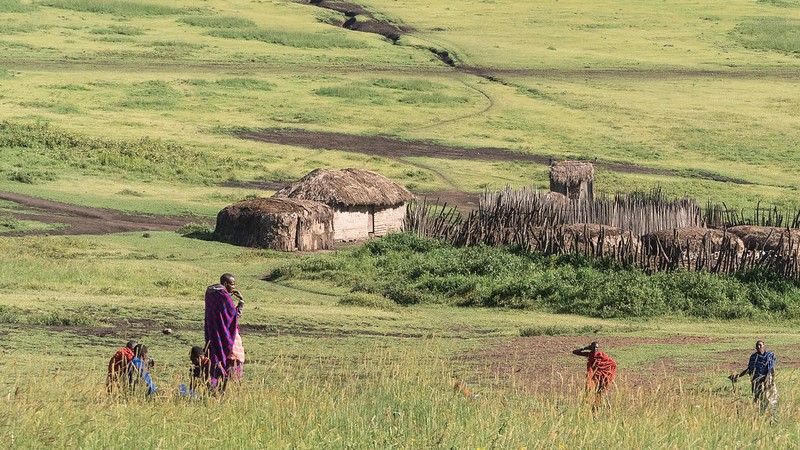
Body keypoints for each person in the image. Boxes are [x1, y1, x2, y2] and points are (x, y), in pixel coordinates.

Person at [205, 273, 245, 392]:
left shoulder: (210, 294)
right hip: (227, 335)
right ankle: (228, 388)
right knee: (233, 358)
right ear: (226, 284)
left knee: (214, 357)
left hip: (213, 333)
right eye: (232, 284)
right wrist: (241, 302)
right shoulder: (225, 297)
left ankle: (213, 387)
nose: (234, 287)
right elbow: (233, 317)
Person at [730, 340, 777, 420]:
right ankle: (761, 417)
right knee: (760, 400)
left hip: (768, 382)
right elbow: (750, 369)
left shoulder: (769, 356)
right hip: (757, 382)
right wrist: (738, 376)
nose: (759, 347)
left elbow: (771, 370)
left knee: (772, 400)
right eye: (757, 346)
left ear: (764, 346)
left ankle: (774, 417)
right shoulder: (754, 357)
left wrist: (768, 382)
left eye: (760, 345)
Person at [573, 341, 617, 411]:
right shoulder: (589, 354)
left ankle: (604, 407)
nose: (595, 349)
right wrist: (585, 348)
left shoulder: (601, 355)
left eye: (596, 347)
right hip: (595, 376)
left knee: (600, 392)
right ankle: (595, 407)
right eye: (593, 347)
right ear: (591, 348)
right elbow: (574, 352)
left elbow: (611, 363)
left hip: (602, 376)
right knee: (592, 391)